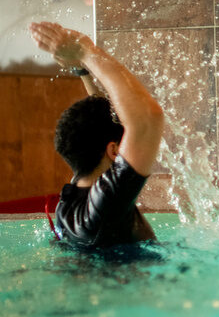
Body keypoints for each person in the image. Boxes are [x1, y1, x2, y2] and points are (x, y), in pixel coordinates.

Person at [29, 21, 164, 248]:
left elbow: (106, 120)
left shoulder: (72, 199)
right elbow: (148, 119)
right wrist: (85, 50)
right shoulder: (108, 199)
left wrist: (82, 70)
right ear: (113, 150)